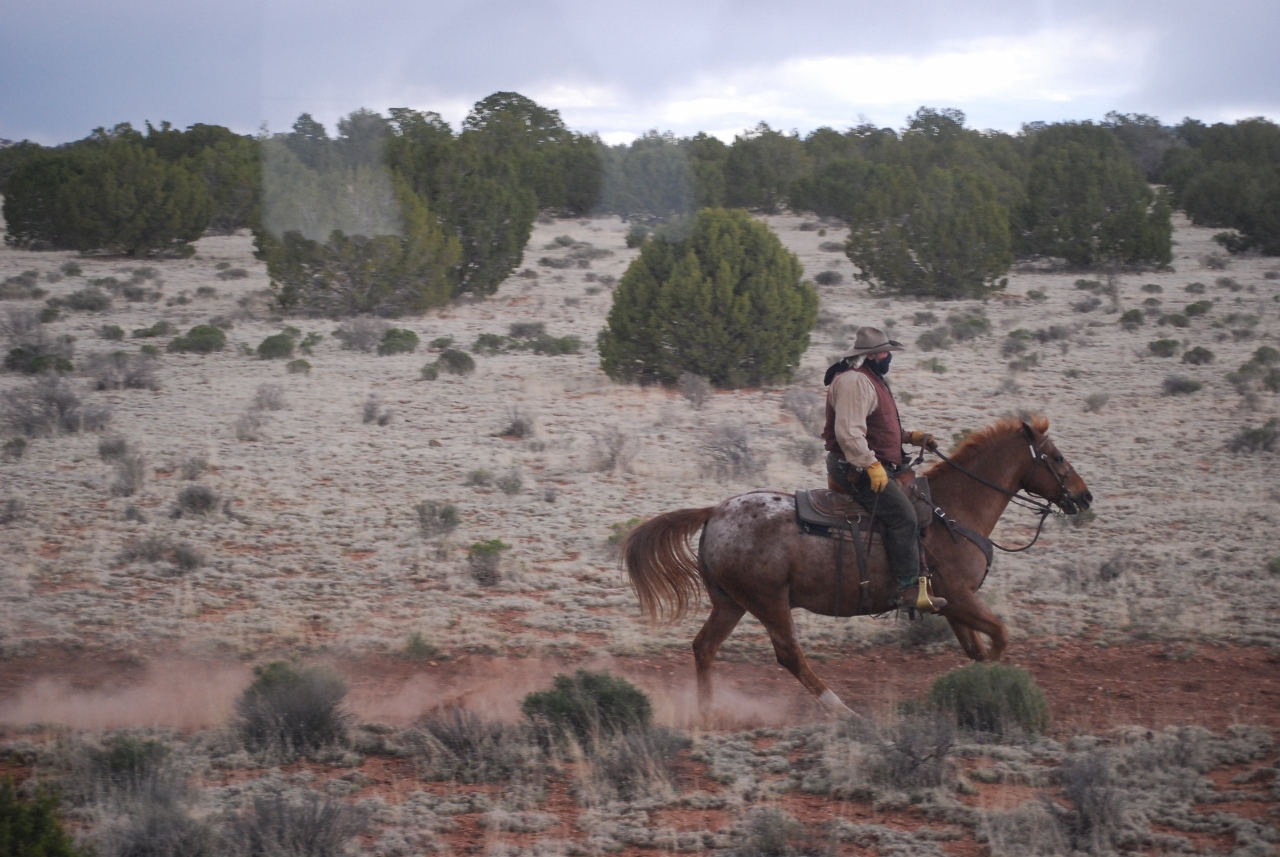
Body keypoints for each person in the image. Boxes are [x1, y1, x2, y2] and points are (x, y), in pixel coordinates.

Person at [821, 326, 945, 612]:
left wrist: (909, 436)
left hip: (868, 461)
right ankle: (907, 588)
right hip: (852, 466)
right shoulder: (854, 381)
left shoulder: (870, 378)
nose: (889, 357)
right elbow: (849, 434)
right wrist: (871, 465)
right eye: (886, 352)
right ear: (874, 355)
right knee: (904, 516)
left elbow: (876, 425)